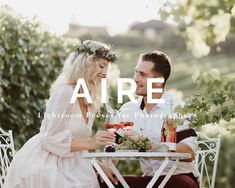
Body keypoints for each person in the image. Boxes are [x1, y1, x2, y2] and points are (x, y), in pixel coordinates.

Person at [3, 40, 118, 188]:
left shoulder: (90, 101)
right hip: (46, 161)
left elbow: (78, 145)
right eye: (101, 66)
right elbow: (49, 139)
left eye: (106, 69)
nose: (104, 74)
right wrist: (92, 142)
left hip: (74, 164)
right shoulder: (65, 92)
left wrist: (95, 164)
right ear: (85, 65)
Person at [99, 51, 200, 188]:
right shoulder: (128, 109)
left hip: (179, 177)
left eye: (143, 74)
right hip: (149, 180)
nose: (135, 78)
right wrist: (106, 166)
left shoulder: (177, 109)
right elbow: (114, 145)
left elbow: (188, 152)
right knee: (105, 183)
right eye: (136, 72)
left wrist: (149, 145)